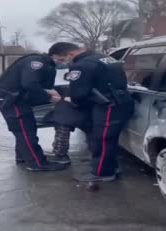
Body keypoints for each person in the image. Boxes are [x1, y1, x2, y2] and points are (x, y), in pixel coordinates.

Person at [48, 42, 134, 182]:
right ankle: (112, 167)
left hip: (107, 106)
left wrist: (70, 100)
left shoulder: (81, 65)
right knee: (110, 140)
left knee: (101, 140)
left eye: (63, 60)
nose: (64, 63)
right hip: (121, 102)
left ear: (70, 54)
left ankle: (102, 173)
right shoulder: (104, 57)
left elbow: (79, 94)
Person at [0, 53, 68, 172]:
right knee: (26, 131)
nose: (63, 62)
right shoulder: (37, 62)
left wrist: (52, 92)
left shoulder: (45, 63)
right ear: (54, 55)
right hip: (12, 100)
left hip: (15, 99)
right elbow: (29, 83)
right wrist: (49, 97)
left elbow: (40, 84)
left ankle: (23, 157)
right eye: (61, 59)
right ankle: (37, 163)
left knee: (23, 130)